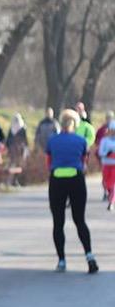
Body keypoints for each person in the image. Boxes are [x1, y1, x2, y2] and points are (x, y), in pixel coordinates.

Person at [46, 109, 98, 274]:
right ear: (75, 124)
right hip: (76, 179)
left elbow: (49, 162)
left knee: (58, 222)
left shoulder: (52, 141)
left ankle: (61, 261)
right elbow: (84, 162)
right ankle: (89, 256)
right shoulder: (81, 141)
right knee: (80, 220)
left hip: (57, 180)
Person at [92, 110, 114, 201]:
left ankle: (111, 197)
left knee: (113, 180)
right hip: (104, 159)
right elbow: (96, 141)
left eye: (110, 118)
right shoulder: (101, 130)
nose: (108, 120)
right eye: (107, 118)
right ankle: (106, 192)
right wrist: (103, 151)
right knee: (105, 178)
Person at [5, 113, 28, 186]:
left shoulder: (22, 129)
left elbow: (25, 140)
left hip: (20, 150)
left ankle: (15, 180)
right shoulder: (12, 129)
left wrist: (25, 148)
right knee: (12, 165)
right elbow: (8, 140)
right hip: (13, 150)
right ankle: (10, 180)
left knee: (19, 166)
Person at [98, 121, 115, 211]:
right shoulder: (104, 140)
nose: (113, 132)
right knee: (107, 184)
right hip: (106, 164)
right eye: (112, 130)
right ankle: (109, 194)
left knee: (113, 185)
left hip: (114, 166)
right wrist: (107, 153)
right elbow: (100, 152)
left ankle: (111, 203)